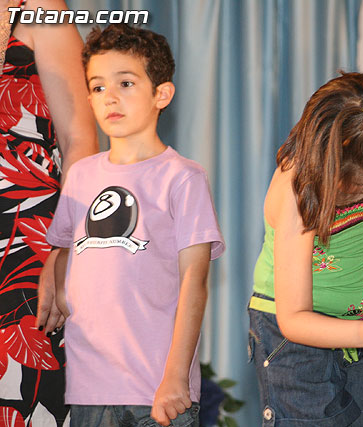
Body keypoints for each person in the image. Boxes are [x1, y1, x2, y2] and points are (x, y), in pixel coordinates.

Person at [42, 24, 225, 427]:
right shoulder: (81, 176)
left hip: (157, 393)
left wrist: (175, 377)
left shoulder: (183, 177)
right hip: (90, 392)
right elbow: (64, 247)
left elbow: (194, 282)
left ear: (162, 94)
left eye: (125, 83)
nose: (110, 97)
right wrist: (66, 291)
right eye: (97, 87)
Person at [248, 72, 363, 426]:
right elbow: (293, 319)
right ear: (326, 162)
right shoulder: (296, 192)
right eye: (358, 186)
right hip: (294, 336)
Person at [0, 0, 98, 425]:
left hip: (24, 239)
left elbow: (80, 142)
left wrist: (63, 249)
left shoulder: (39, 8)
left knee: (26, 394)